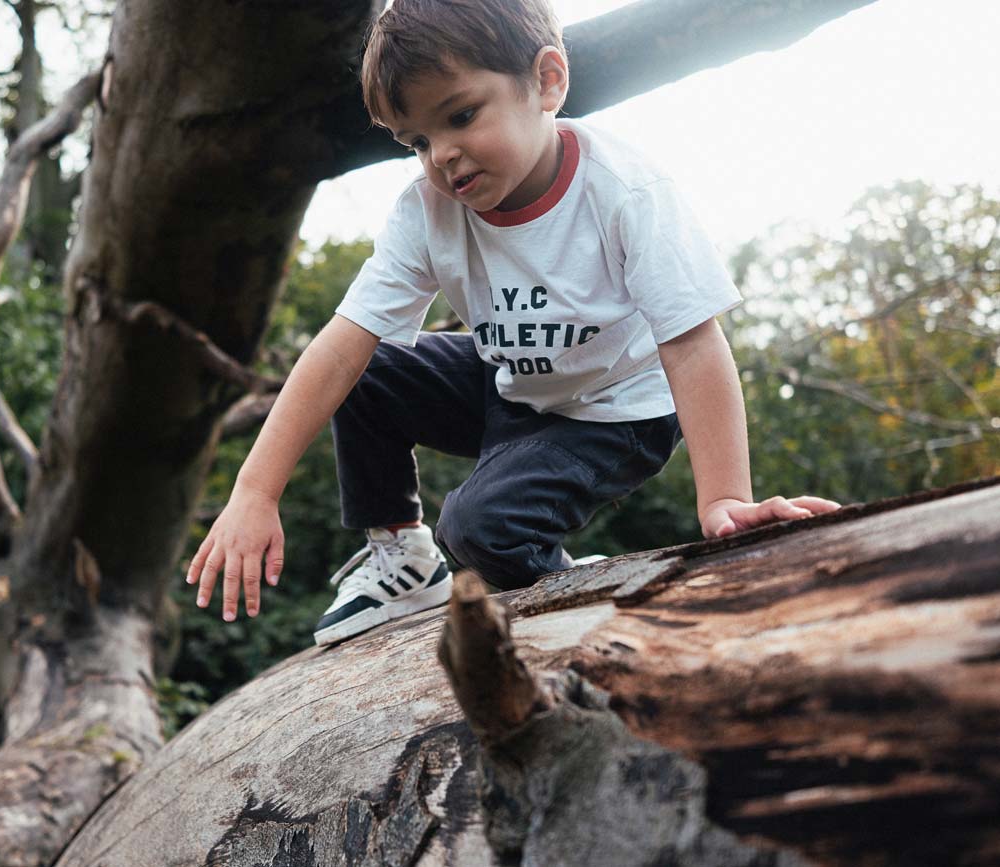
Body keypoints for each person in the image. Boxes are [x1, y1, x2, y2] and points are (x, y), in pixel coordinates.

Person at [187, 0, 839, 645]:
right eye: (417, 140)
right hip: (513, 381)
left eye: (461, 115)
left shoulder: (622, 192)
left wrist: (724, 498)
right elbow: (338, 349)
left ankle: (569, 588)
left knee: (477, 528)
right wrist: (253, 489)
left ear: (548, 81)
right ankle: (403, 558)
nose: (441, 155)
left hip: (614, 411)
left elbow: (694, 344)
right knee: (367, 369)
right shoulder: (427, 212)